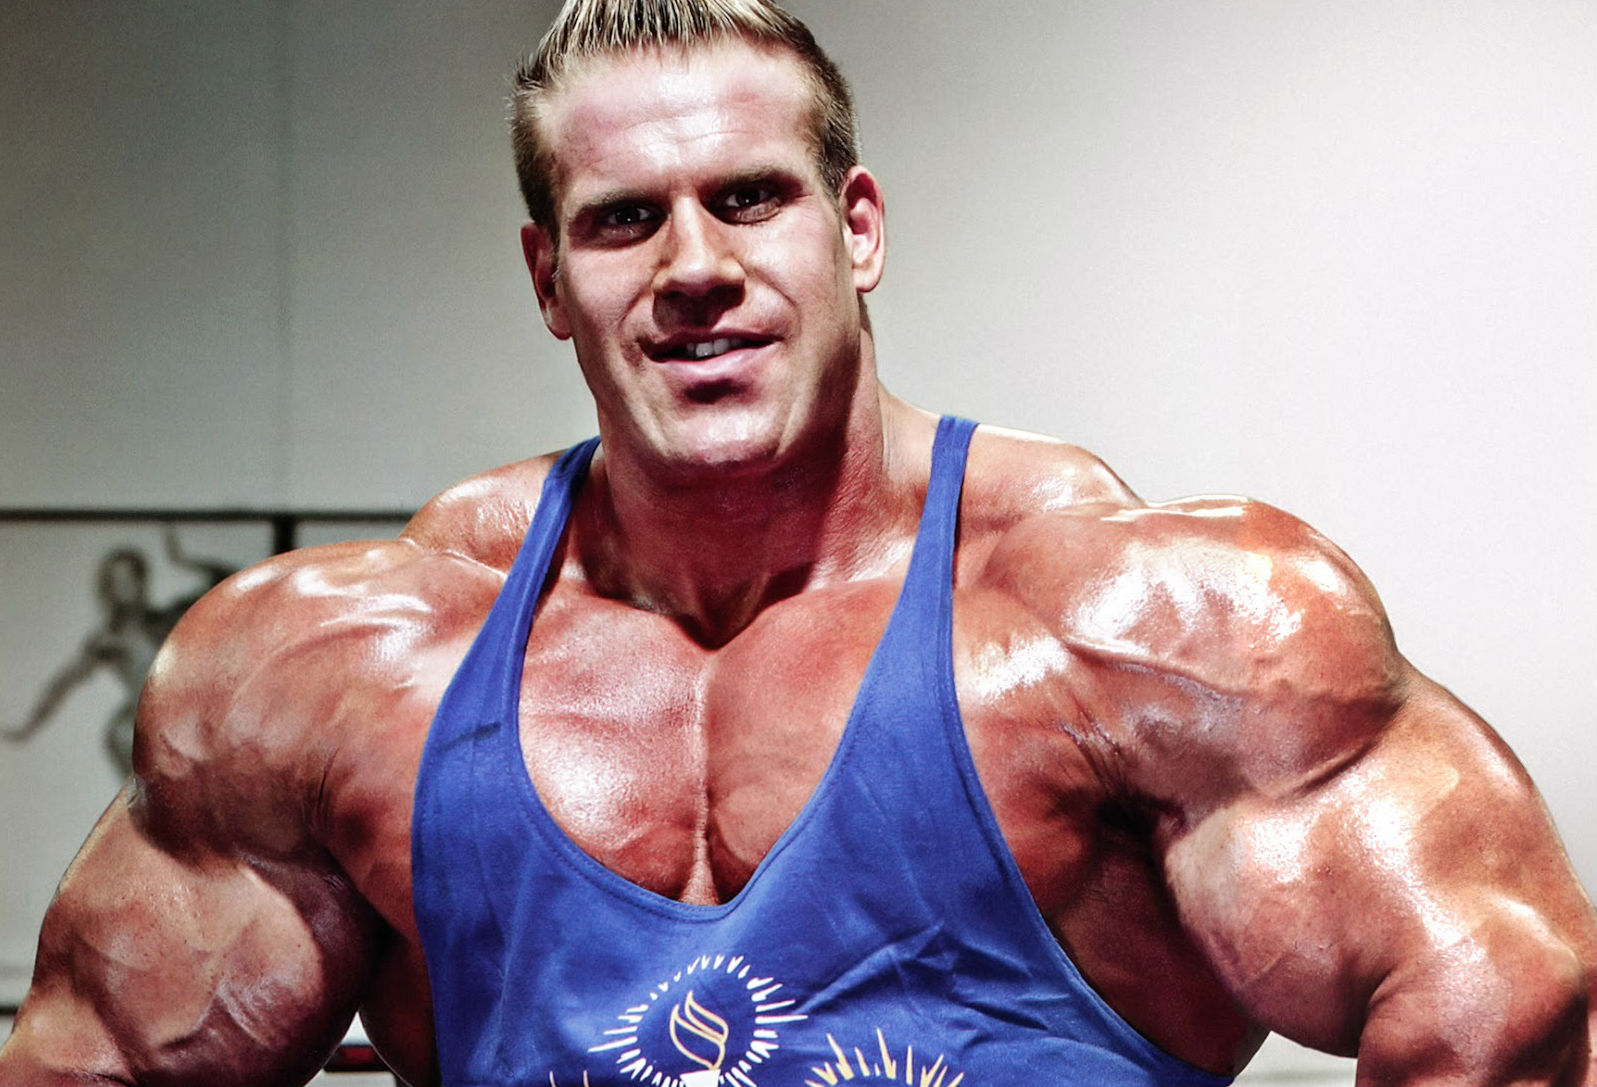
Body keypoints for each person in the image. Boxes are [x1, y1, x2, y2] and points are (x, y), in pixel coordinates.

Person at [2, 0, 1593, 1083]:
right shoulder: (337, 673)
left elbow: (1508, 1009)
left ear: (857, 229)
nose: (692, 266)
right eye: (624, 219)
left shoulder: (1148, 626)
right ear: (549, 280)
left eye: (750, 198)